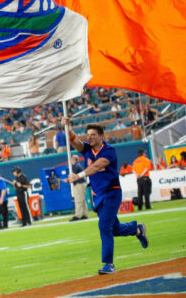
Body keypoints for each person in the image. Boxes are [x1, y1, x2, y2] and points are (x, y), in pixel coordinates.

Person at [64, 118, 148, 275]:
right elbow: (75, 142)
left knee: (104, 227)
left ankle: (108, 263)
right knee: (113, 228)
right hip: (98, 195)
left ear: (102, 136)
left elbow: (96, 166)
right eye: (88, 134)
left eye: (93, 135)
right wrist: (68, 129)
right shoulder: (87, 148)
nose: (89, 137)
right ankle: (137, 230)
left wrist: (79, 175)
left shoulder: (109, 151)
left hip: (111, 193)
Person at [65, 155, 89, 221]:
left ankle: (77, 216)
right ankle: (85, 214)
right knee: (82, 200)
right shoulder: (78, 165)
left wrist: (67, 180)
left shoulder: (75, 166)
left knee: (78, 200)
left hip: (79, 184)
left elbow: (74, 177)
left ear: (74, 160)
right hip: (81, 184)